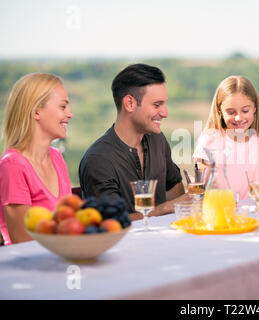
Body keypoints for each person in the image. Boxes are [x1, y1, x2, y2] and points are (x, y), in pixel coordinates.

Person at [79, 64, 187, 218]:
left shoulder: (158, 140)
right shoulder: (98, 160)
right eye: (157, 105)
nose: (165, 113)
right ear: (130, 103)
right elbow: (113, 222)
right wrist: (164, 209)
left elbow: (175, 193)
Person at [0, 73, 73, 245]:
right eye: (63, 107)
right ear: (37, 111)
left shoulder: (56, 157)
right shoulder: (12, 165)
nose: (70, 114)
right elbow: (22, 241)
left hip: (62, 259)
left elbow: (69, 223)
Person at [193, 75, 259, 201]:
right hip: (220, 211)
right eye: (231, 112)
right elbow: (200, 189)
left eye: (245, 111)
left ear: (254, 108)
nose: (238, 118)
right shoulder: (209, 140)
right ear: (220, 111)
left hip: (251, 213)